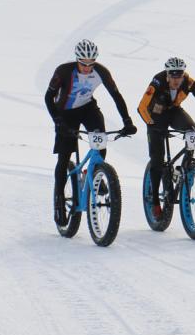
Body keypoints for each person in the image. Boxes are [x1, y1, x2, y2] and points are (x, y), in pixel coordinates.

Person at [45, 39, 137, 219]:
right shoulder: (63, 71)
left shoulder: (101, 71)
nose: (87, 68)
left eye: (91, 64)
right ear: (77, 60)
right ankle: (59, 199)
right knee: (64, 157)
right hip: (65, 113)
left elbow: (116, 96)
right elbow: (49, 97)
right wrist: (57, 121)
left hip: (88, 108)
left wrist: (127, 121)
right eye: (83, 64)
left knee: (100, 143)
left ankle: (94, 172)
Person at [138, 56, 195, 219]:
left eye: (179, 76)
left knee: (193, 133)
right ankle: (156, 202)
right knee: (157, 160)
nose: (176, 80)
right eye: (173, 76)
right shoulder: (157, 81)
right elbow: (142, 107)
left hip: (173, 112)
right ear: (167, 74)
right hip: (155, 117)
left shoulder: (188, 81)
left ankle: (184, 167)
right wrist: (151, 125)